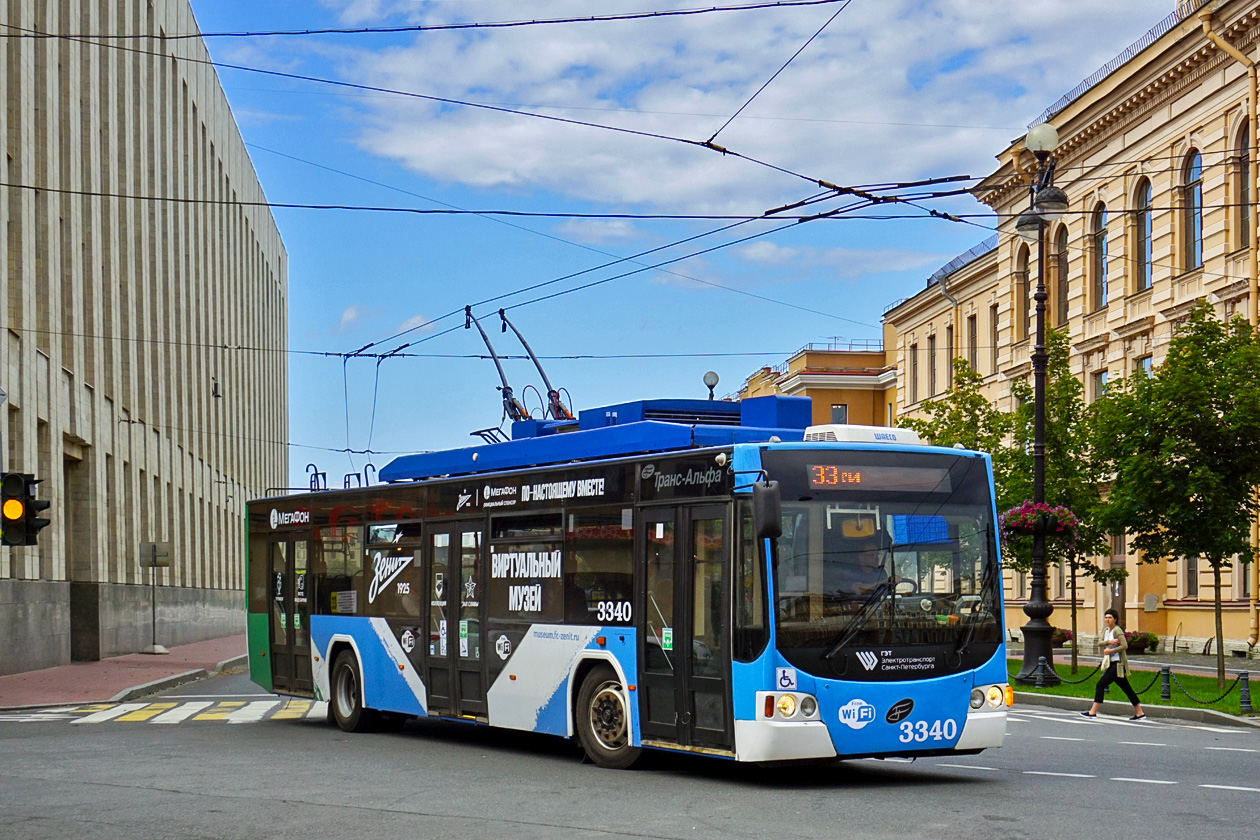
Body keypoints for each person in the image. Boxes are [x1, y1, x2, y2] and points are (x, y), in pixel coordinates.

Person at [1081, 608, 1147, 721]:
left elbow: (1124, 645)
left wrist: (1111, 650)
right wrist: (1109, 642)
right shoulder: (1106, 630)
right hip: (1110, 663)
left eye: (1110, 617)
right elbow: (1100, 642)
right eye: (1106, 617)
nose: (1107, 620)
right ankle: (1140, 712)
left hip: (1117, 664)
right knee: (1127, 688)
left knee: (1100, 685)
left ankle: (1093, 712)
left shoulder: (1117, 630)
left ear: (1115, 619)